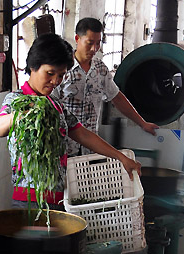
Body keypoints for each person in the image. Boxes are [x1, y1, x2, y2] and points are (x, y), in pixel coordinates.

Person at [0, 32, 141, 210]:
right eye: (50, 73)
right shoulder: (17, 100)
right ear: (33, 67)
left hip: (59, 198)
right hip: (28, 201)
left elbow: (83, 134)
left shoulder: (55, 105)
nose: (55, 81)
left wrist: (121, 157)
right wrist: (22, 113)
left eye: (61, 75)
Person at [52, 17, 159, 156]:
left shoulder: (100, 69)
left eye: (98, 43)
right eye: (90, 43)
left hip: (90, 149)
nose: (94, 49)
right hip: (64, 148)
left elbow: (117, 97)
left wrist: (142, 123)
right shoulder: (62, 69)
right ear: (77, 38)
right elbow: (51, 106)